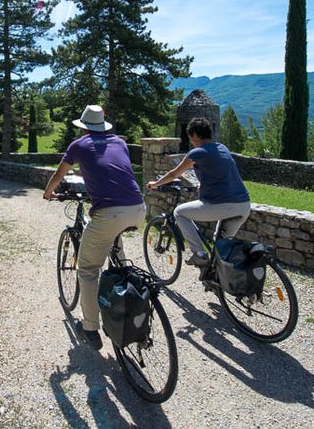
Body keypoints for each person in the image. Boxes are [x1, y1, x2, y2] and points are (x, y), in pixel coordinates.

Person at [43, 104, 146, 351]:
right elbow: (114, 172)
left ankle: (90, 327)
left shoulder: (78, 145)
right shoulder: (120, 143)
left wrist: (48, 192)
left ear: (84, 128)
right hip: (138, 207)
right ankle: (125, 277)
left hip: (110, 213)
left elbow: (60, 173)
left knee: (88, 269)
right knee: (113, 241)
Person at [146, 116, 250, 266]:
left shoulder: (197, 153)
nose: (190, 140)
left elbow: (174, 174)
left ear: (194, 135)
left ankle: (199, 254)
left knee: (179, 213)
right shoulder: (222, 148)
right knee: (220, 245)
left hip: (222, 205)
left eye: (190, 137)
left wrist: (155, 184)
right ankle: (220, 280)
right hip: (244, 205)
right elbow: (219, 172)